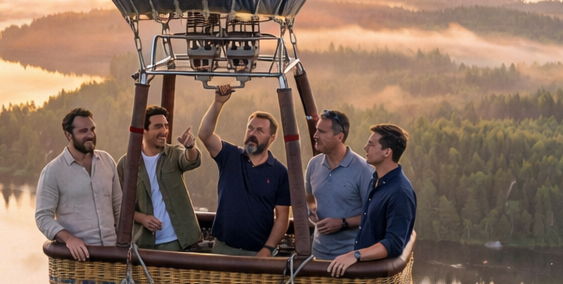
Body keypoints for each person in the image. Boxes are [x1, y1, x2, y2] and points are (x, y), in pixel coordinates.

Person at [198, 85, 291, 257]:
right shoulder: (230, 155)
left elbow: (282, 218)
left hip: (257, 253)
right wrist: (218, 103)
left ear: (272, 138)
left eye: (260, 130)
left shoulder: (280, 172)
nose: (252, 133)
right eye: (250, 128)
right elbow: (204, 134)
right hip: (223, 249)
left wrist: (268, 249)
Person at [327, 123, 416, 277]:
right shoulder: (375, 180)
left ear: (387, 152)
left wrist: (355, 255)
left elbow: (394, 244)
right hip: (362, 275)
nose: (365, 147)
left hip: (376, 281)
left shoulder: (400, 192)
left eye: (371, 144)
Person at [35, 107, 120, 261]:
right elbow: (43, 217)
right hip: (78, 259)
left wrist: (124, 244)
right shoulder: (52, 171)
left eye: (92, 129)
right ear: (68, 135)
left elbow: (119, 207)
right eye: (83, 131)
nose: (90, 135)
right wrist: (69, 239)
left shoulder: (107, 161)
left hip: (113, 255)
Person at [117, 105, 203, 251]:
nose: (164, 131)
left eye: (166, 126)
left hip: (177, 242)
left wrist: (190, 147)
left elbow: (191, 160)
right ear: (143, 130)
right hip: (143, 243)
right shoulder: (126, 164)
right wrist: (142, 218)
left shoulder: (174, 154)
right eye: (158, 126)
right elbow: (119, 205)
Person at [306, 108, 375, 261]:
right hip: (318, 256)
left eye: (321, 132)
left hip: (352, 258)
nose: (315, 135)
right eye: (316, 130)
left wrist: (342, 223)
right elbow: (309, 197)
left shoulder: (364, 171)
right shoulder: (313, 164)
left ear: (339, 137)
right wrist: (311, 211)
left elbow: (373, 215)